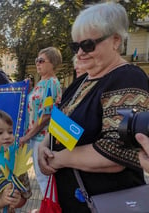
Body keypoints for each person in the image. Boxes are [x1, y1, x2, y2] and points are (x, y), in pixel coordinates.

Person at [38, 2, 149, 212]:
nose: (80, 53)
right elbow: (59, 121)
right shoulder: (82, 81)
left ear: (116, 40)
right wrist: (44, 147)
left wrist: (57, 160)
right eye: (75, 46)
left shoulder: (127, 77)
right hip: (72, 200)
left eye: (88, 45)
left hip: (107, 202)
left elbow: (115, 153)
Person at [19, 47, 62, 194]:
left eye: (42, 61)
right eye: (37, 60)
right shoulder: (41, 83)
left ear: (53, 63)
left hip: (42, 138)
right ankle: (47, 206)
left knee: (45, 179)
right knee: (40, 176)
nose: (38, 63)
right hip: (34, 137)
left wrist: (27, 136)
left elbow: (46, 116)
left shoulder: (51, 83)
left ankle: (50, 208)